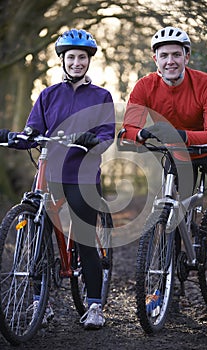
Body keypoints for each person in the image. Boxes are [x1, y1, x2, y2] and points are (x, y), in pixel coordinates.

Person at [0, 28, 115, 329]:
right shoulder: (48, 95)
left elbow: (106, 135)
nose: (76, 62)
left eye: (81, 57)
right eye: (71, 57)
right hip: (49, 172)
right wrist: (17, 137)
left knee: (84, 237)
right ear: (62, 60)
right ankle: (40, 300)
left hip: (83, 175)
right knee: (36, 233)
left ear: (88, 60)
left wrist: (92, 138)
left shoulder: (100, 96)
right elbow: (32, 130)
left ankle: (93, 305)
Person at [121, 26, 207, 237]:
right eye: (164, 55)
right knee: (173, 212)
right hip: (179, 153)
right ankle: (170, 266)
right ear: (155, 59)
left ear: (187, 57)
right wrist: (142, 134)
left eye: (176, 54)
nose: (170, 61)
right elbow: (128, 130)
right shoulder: (144, 87)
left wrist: (180, 135)